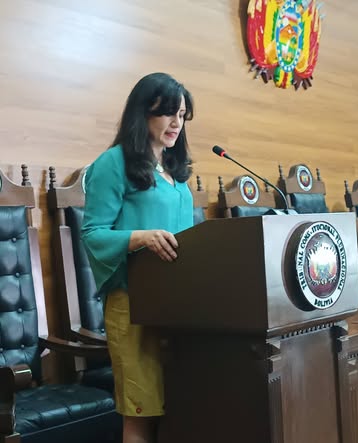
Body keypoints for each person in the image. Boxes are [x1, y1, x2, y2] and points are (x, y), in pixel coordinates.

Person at [82, 72, 195, 443]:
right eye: (167, 113)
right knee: (141, 413)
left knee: (182, 407)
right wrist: (141, 238)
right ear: (142, 112)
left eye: (182, 115)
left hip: (179, 307)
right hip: (134, 304)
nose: (176, 123)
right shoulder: (113, 164)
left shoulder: (175, 172)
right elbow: (92, 233)